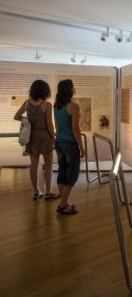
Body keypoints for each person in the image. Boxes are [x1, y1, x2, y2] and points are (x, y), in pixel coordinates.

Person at [14, 80, 60, 201]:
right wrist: (53, 137)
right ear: (46, 91)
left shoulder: (27, 103)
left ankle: (36, 191)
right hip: (45, 136)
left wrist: (27, 121)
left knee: (33, 165)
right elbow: (50, 125)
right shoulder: (47, 105)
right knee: (48, 165)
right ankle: (48, 192)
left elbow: (16, 116)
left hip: (31, 136)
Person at [54, 79, 85, 215]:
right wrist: (81, 146)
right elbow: (75, 129)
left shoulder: (56, 106)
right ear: (69, 89)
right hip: (70, 144)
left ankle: (65, 202)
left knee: (62, 171)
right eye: (73, 86)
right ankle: (62, 205)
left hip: (59, 142)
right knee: (72, 173)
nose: (75, 88)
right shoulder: (74, 106)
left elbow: (58, 126)